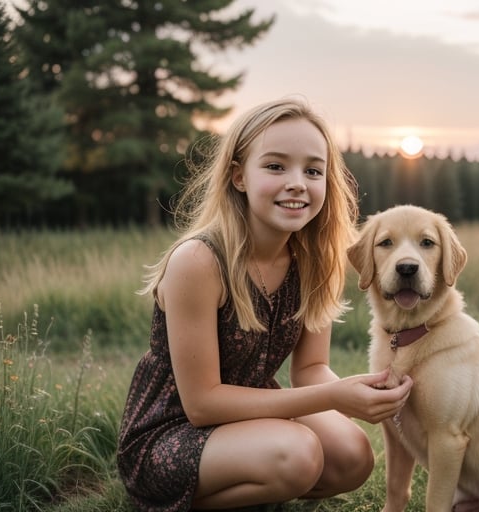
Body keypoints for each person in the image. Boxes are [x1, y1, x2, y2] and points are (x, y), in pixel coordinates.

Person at [116, 97, 413, 512]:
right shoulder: (199, 261)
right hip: (170, 434)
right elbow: (202, 405)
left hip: (248, 422)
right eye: (276, 167)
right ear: (239, 176)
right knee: (298, 454)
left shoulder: (315, 262)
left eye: (313, 170)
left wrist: (358, 389)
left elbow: (310, 370)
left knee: (352, 456)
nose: (297, 183)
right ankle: (182, 498)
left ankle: (261, 482)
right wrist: (334, 398)